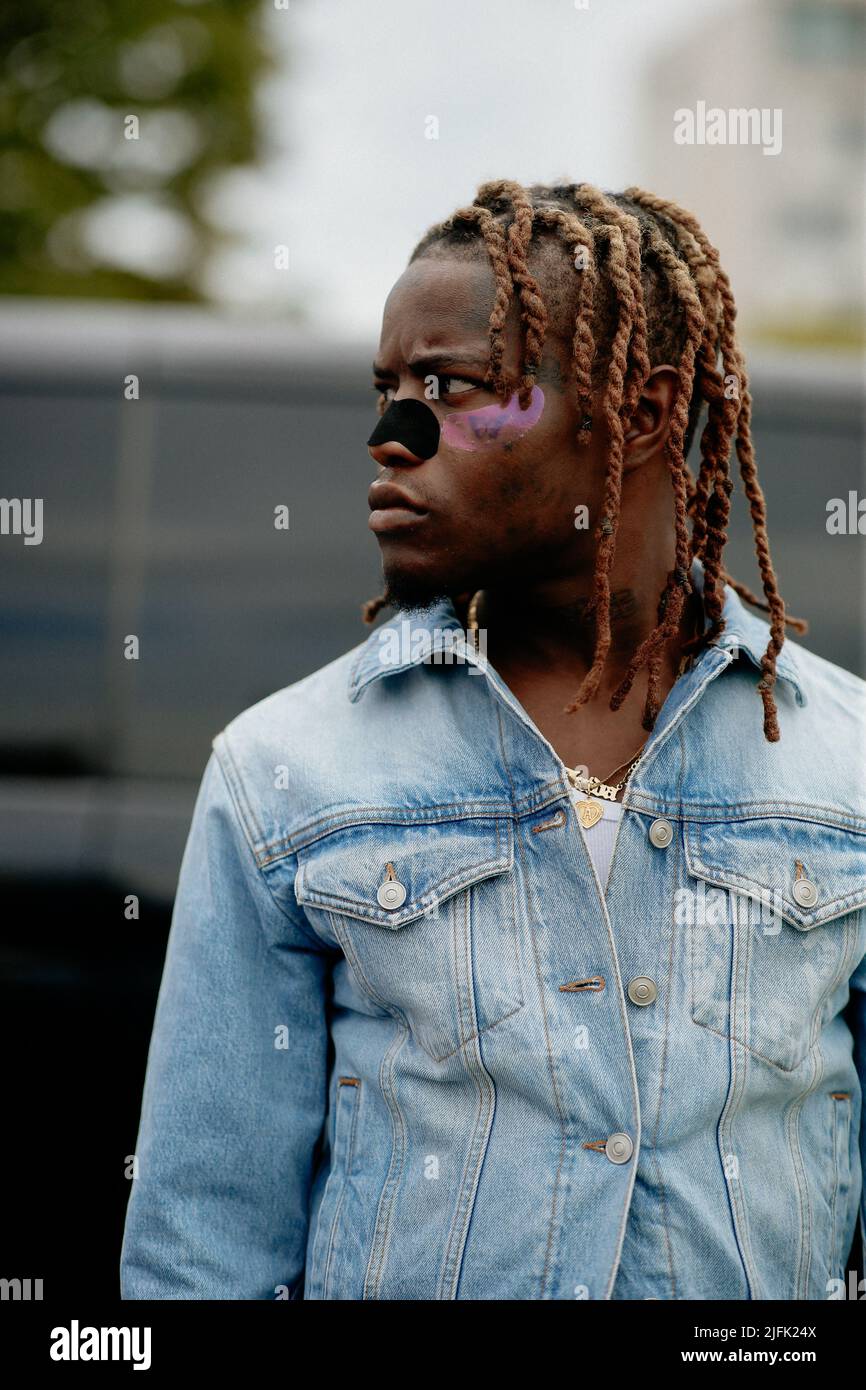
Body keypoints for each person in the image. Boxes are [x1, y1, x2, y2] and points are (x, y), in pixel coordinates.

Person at [120, 179, 866, 1300]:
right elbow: (201, 1243)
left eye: (448, 387)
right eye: (384, 390)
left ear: (646, 410)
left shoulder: (842, 766)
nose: (388, 438)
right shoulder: (283, 772)